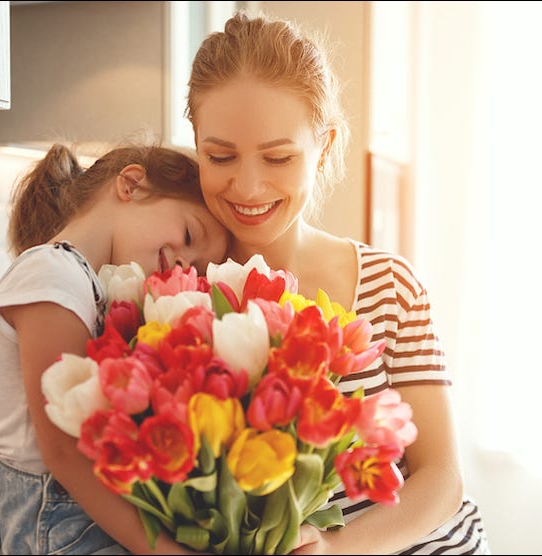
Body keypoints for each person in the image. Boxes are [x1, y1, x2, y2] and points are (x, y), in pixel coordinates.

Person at [186, 12, 491, 555]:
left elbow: (442, 477)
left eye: (279, 156)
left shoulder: (390, 286)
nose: (249, 185)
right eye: (220, 156)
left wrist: (333, 549)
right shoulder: (176, 298)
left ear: (323, 147)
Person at [0, 143, 228, 554]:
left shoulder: (87, 290)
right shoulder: (52, 275)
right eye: (189, 235)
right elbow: (65, 454)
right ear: (131, 185)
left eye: (196, 267)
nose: (185, 266)